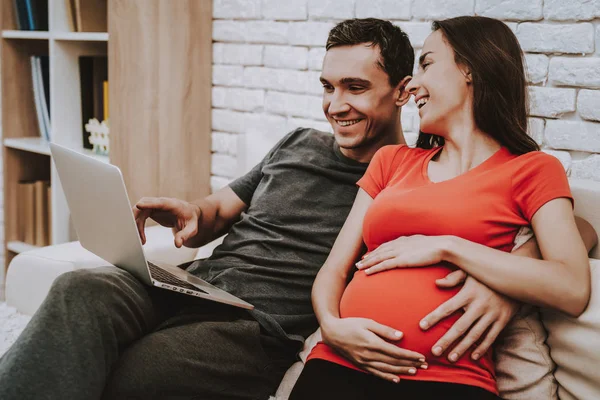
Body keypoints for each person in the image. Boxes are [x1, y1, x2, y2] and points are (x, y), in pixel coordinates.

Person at [0, 18, 594, 400]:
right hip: (195, 283)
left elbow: (575, 224)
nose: (335, 106)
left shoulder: (407, 172)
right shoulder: (297, 145)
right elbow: (220, 209)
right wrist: (191, 212)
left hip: (257, 325)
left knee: (138, 375)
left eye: (355, 89)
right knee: (81, 290)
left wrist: (512, 281)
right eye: (327, 86)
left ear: (400, 90)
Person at [289, 16, 594, 400]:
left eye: (427, 64)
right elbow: (334, 269)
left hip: (449, 379)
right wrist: (332, 327)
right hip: (341, 361)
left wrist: (447, 246)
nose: (413, 84)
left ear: (470, 67)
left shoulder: (531, 169)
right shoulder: (392, 161)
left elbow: (571, 286)